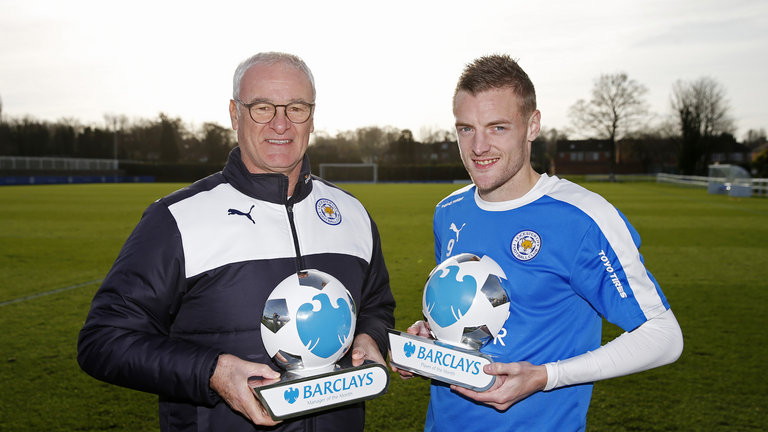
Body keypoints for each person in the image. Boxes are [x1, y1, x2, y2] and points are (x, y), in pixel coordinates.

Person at [78, 52, 395, 432]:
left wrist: (369, 335)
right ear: (234, 114)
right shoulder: (176, 219)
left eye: (296, 108)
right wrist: (212, 372)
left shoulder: (352, 213)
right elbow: (104, 339)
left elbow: (376, 305)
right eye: (262, 107)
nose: (281, 124)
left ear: (312, 116)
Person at [396, 54, 683, 431]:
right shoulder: (449, 211)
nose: (478, 146)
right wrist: (431, 338)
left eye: (497, 127)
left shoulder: (583, 218)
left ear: (532, 126)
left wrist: (545, 376)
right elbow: (473, 318)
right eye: (466, 129)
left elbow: (663, 336)